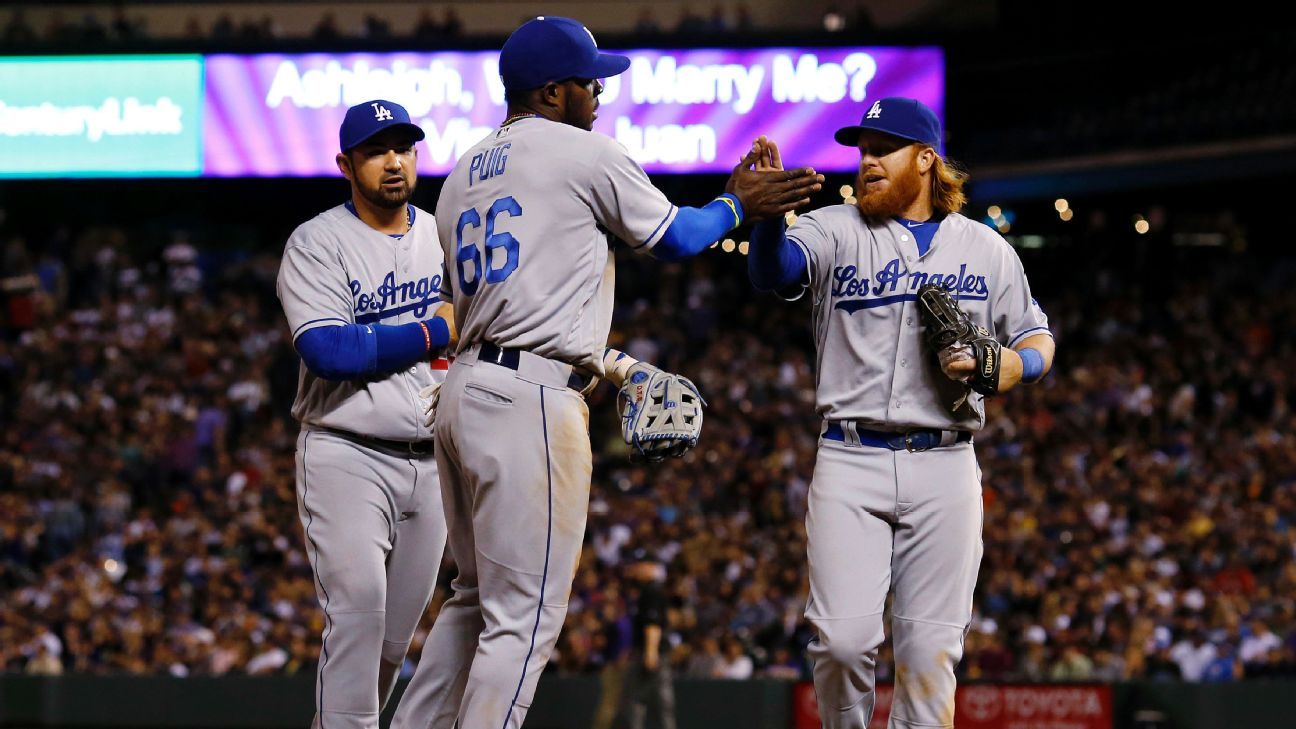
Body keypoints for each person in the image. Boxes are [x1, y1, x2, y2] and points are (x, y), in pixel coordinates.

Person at [390, 16, 823, 729]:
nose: (601, 92)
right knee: (524, 617)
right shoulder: (581, 152)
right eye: (590, 81)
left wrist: (613, 363)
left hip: (466, 387)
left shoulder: (463, 169)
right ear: (554, 91)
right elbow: (676, 237)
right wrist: (738, 203)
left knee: (473, 599)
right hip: (529, 397)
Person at [746, 97, 1055, 728]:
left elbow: (1037, 338)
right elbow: (773, 272)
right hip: (850, 457)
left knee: (929, 655)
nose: (867, 162)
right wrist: (770, 220)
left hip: (946, 464)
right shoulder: (834, 228)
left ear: (925, 159)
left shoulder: (985, 248)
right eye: (861, 151)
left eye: (882, 149)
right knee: (840, 643)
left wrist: (1009, 365)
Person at [275, 99, 456, 729]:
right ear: (346, 164)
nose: (395, 162)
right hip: (345, 449)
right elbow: (329, 350)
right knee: (357, 613)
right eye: (378, 150)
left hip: (434, 462)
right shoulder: (318, 241)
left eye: (404, 148)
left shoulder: (444, 234)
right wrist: (434, 331)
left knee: (389, 644)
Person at [615, 559, 676, 729]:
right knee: (654, 701)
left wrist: (650, 652)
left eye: (641, 565)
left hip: (652, 653)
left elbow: (653, 624)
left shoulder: (652, 591)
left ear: (651, 567)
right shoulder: (647, 591)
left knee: (647, 700)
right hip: (649, 651)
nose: (637, 569)